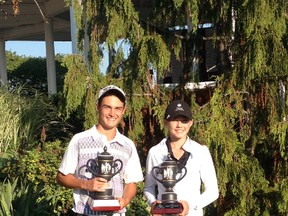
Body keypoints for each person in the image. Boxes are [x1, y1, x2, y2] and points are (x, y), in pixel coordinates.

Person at [56, 85, 144, 216]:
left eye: (117, 108)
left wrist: (125, 200)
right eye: (107, 107)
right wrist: (85, 184)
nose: (112, 113)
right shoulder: (79, 140)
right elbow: (61, 177)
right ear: (97, 107)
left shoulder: (128, 145)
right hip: (84, 212)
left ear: (123, 110)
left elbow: (131, 182)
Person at [144, 100, 219, 216]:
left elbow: (213, 191)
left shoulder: (201, 151)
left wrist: (189, 205)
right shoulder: (155, 152)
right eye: (174, 120)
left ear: (191, 123)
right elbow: (148, 188)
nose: (179, 125)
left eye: (184, 121)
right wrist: (153, 204)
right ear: (166, 122)